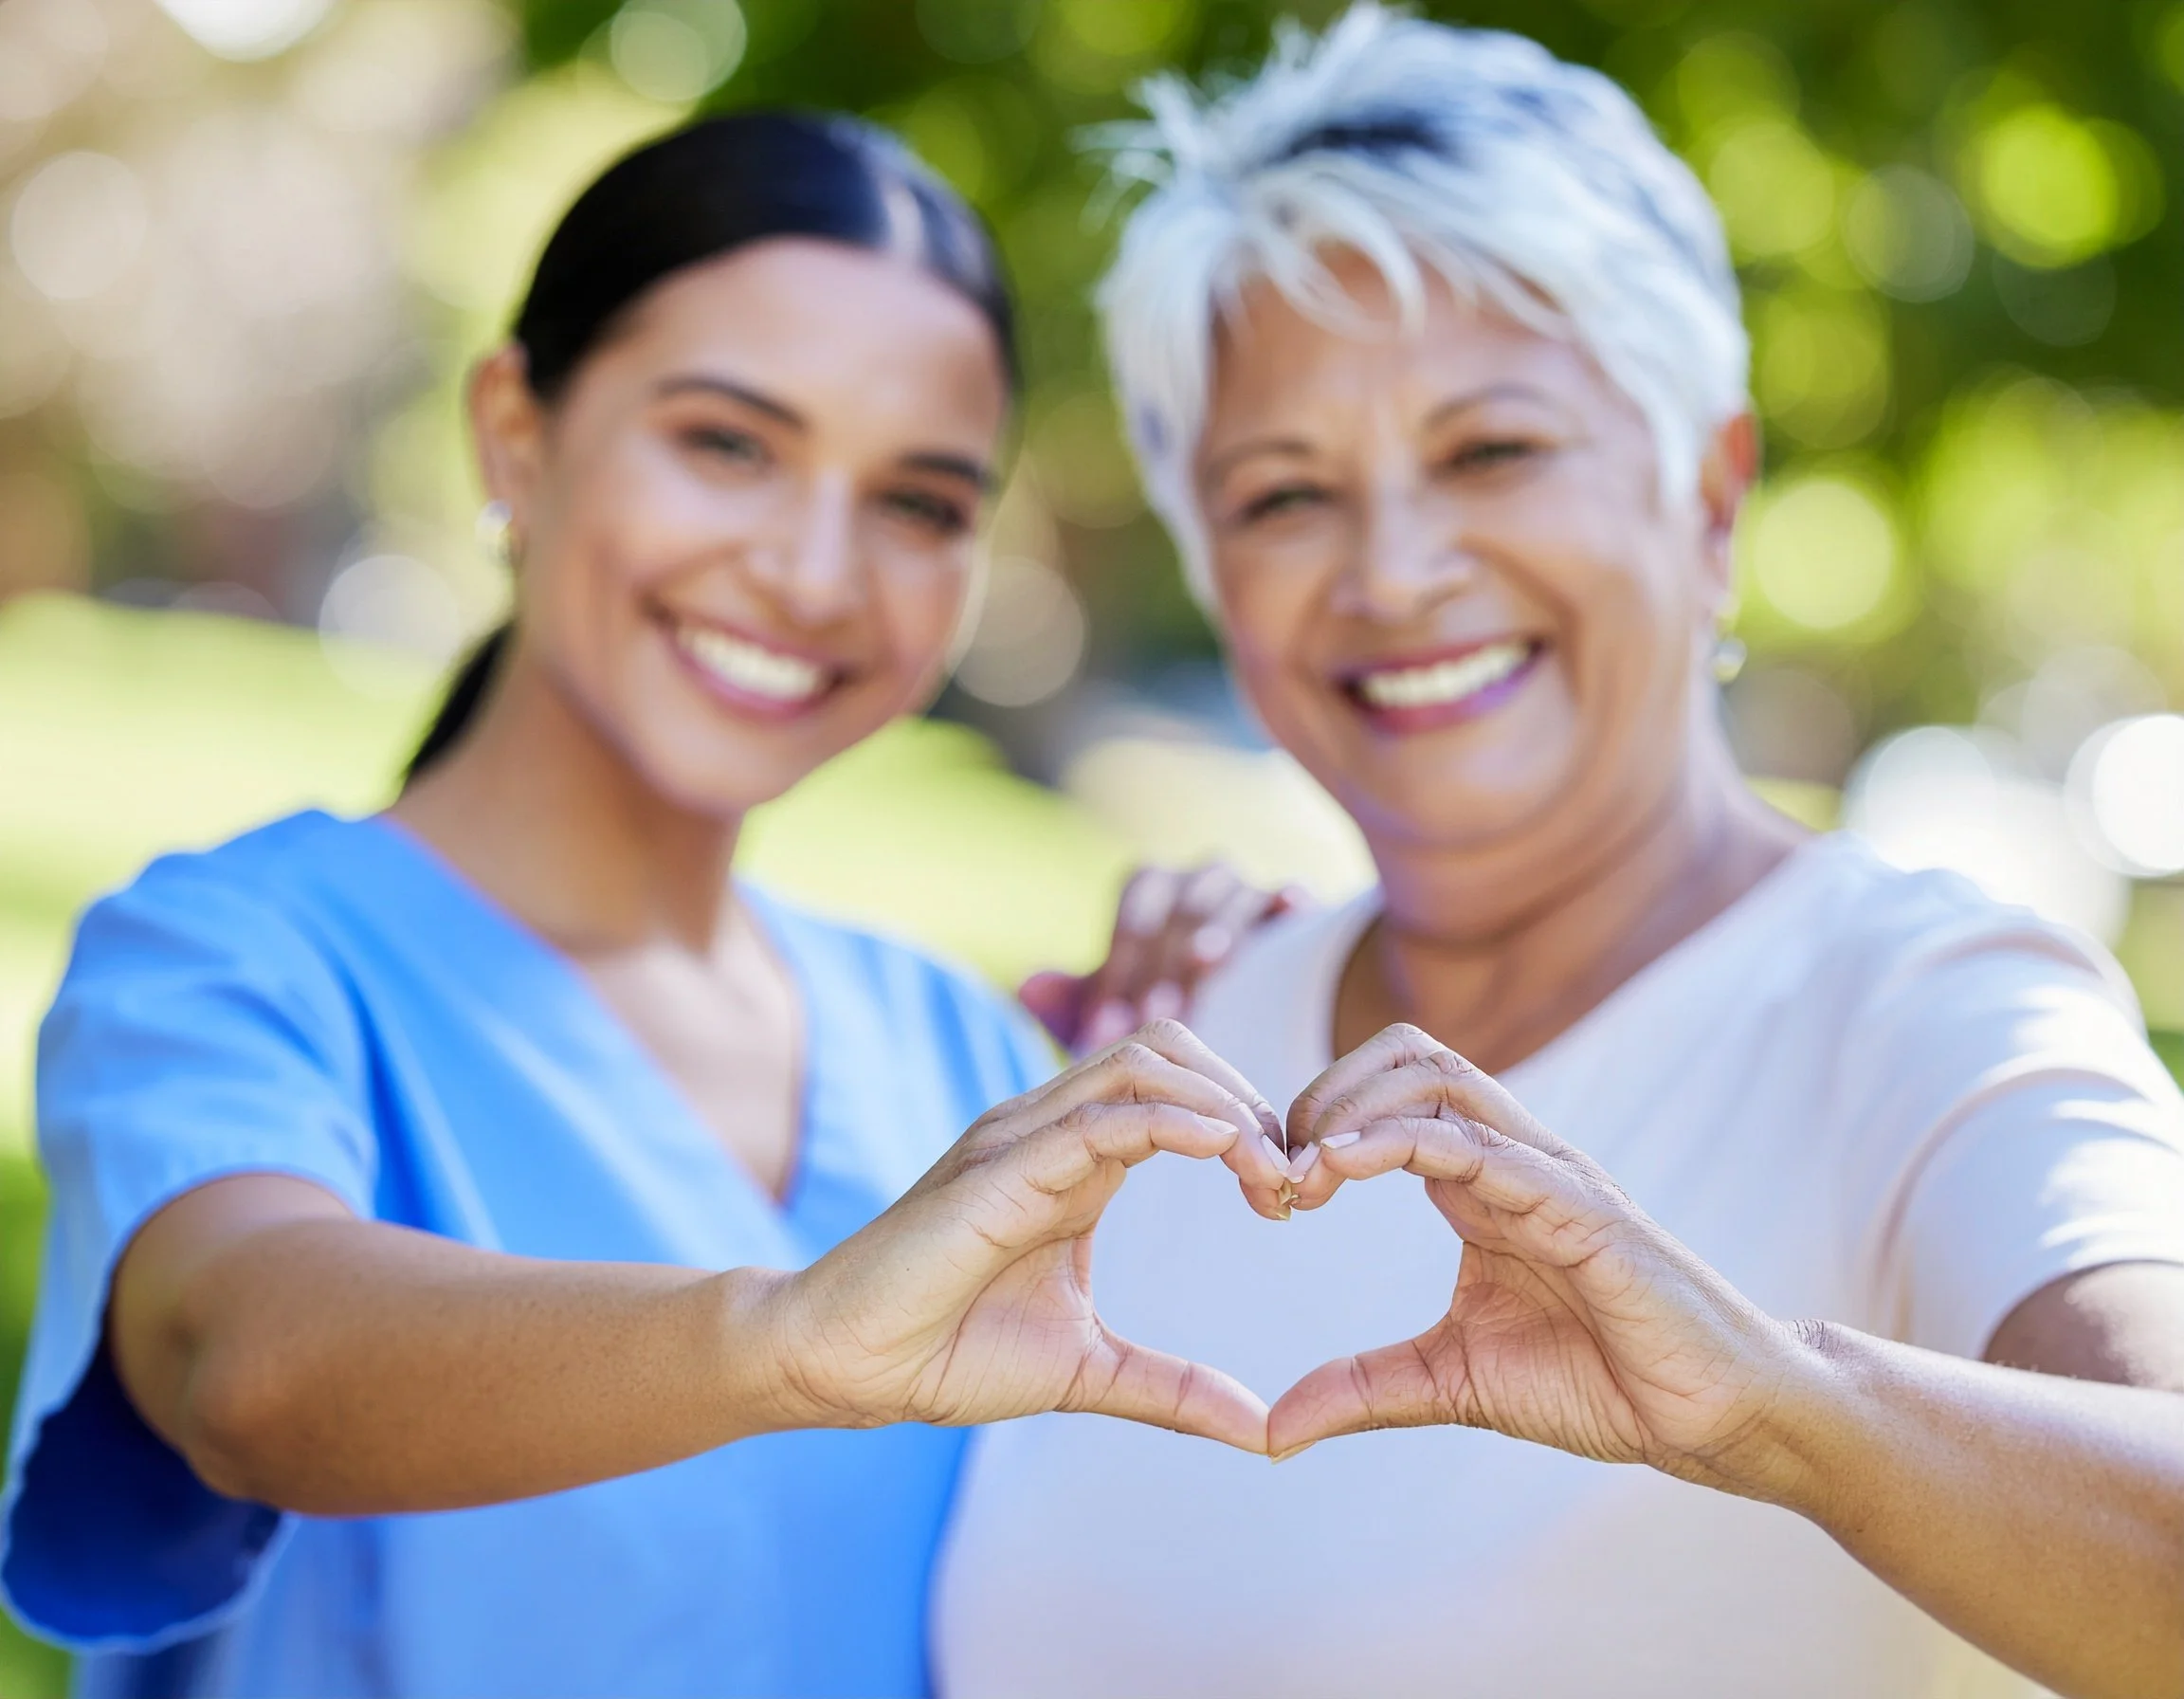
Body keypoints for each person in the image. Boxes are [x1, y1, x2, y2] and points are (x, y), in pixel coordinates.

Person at [935, 12, 2184, 1698]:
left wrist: (1770, 1399)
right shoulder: (1172, 1029)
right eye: (1284, 494)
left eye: (1493, 451)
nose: (1394, 569)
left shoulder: (1928, 1010)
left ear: (1711, 499)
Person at [0, 111, 1294, 1699]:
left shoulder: (958, 1049)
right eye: (729, 444)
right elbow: (242, 1364)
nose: (816, 572)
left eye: (919, 503)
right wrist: (790, 1338)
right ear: (514, 437)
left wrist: (1253, 1050)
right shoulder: (233, 960)